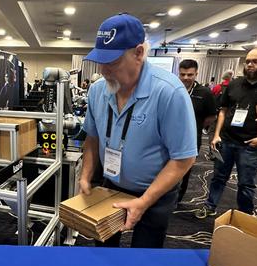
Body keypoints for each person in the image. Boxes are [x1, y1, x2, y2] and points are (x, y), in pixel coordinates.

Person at [80, 13, 197, 248]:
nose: (103, 70)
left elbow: (184, 159)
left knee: (144, 258)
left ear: (139, 53)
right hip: (110, 186)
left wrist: (144, 201)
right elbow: (92, 138)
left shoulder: (169, 92)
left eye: (112, 62)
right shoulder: (97, 90)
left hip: (155, 193)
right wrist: (85, 175)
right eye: (100, 61)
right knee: (102, 251)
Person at [195, 46, 257, 218]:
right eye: (248, 61)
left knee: (246, 183)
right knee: (218, 177)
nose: (250, 65)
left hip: (252, 143)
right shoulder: (234, 84)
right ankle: (210, 205)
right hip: (226, 139)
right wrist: (216, 134)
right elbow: (224, 110)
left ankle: (245, 215)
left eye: (255, 61)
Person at [176, 59, 218, 205]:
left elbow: (211, 116)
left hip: (193, 137)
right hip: (171, 135)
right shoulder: (172, 88)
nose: (186, 78)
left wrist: (196, 125)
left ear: (196, 73)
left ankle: (178, 199)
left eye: (190, 74)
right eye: (183, 74)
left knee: (185, 169)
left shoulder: (204, 93)